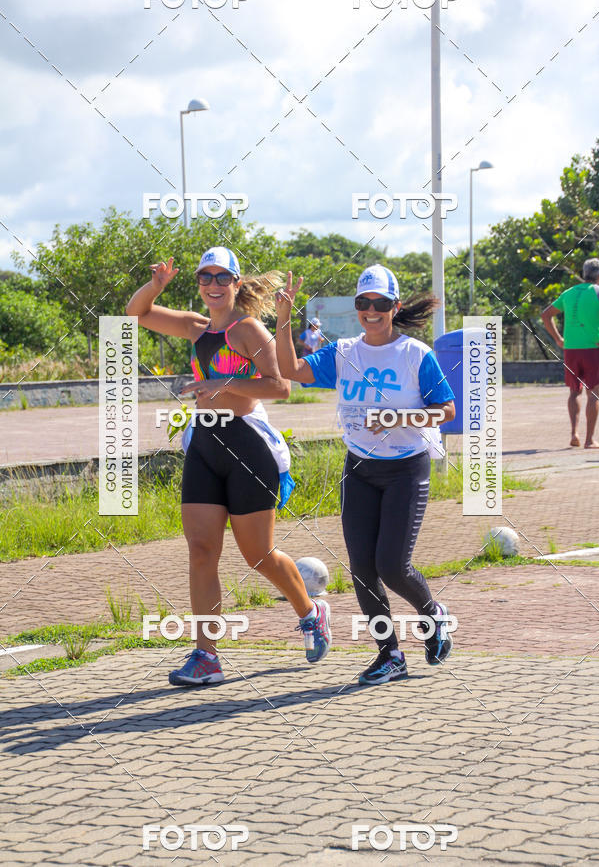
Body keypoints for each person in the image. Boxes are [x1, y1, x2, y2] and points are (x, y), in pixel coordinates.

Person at [125, 246, 332, 685]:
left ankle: (310, 612)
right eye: (206, 277)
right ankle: (207, 657)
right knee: (201, 552)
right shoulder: (196, 327)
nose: (214, 285)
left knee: (258, 556)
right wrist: (155, 285)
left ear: (237, 283)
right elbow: (136, 314)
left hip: (246, 448)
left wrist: (223, 383)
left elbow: (279, 387)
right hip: (205, 444)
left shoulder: (248, 329)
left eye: (223, 277)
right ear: (198, 283)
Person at [275, 264, 456, 685]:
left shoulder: (415, 354)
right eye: (363, 302)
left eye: (380, 303)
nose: (371, 311)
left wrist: (398, 417)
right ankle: (390, 655)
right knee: (362, 570)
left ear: (395, 306)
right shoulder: (344, 352)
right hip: (358, 468)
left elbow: (446, 410)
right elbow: (291, 370)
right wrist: (283, 319)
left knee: (392, 566)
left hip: (406, 469)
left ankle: (433, 615)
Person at [541, 258, 599, 449]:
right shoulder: (598, 292)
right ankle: (589, 440)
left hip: (571, 350)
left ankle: (574, 433)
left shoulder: (569, 293)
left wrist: (558, 339)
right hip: (593, 349)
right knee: (594, 393)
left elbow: (546, 315)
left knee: (574, 392)